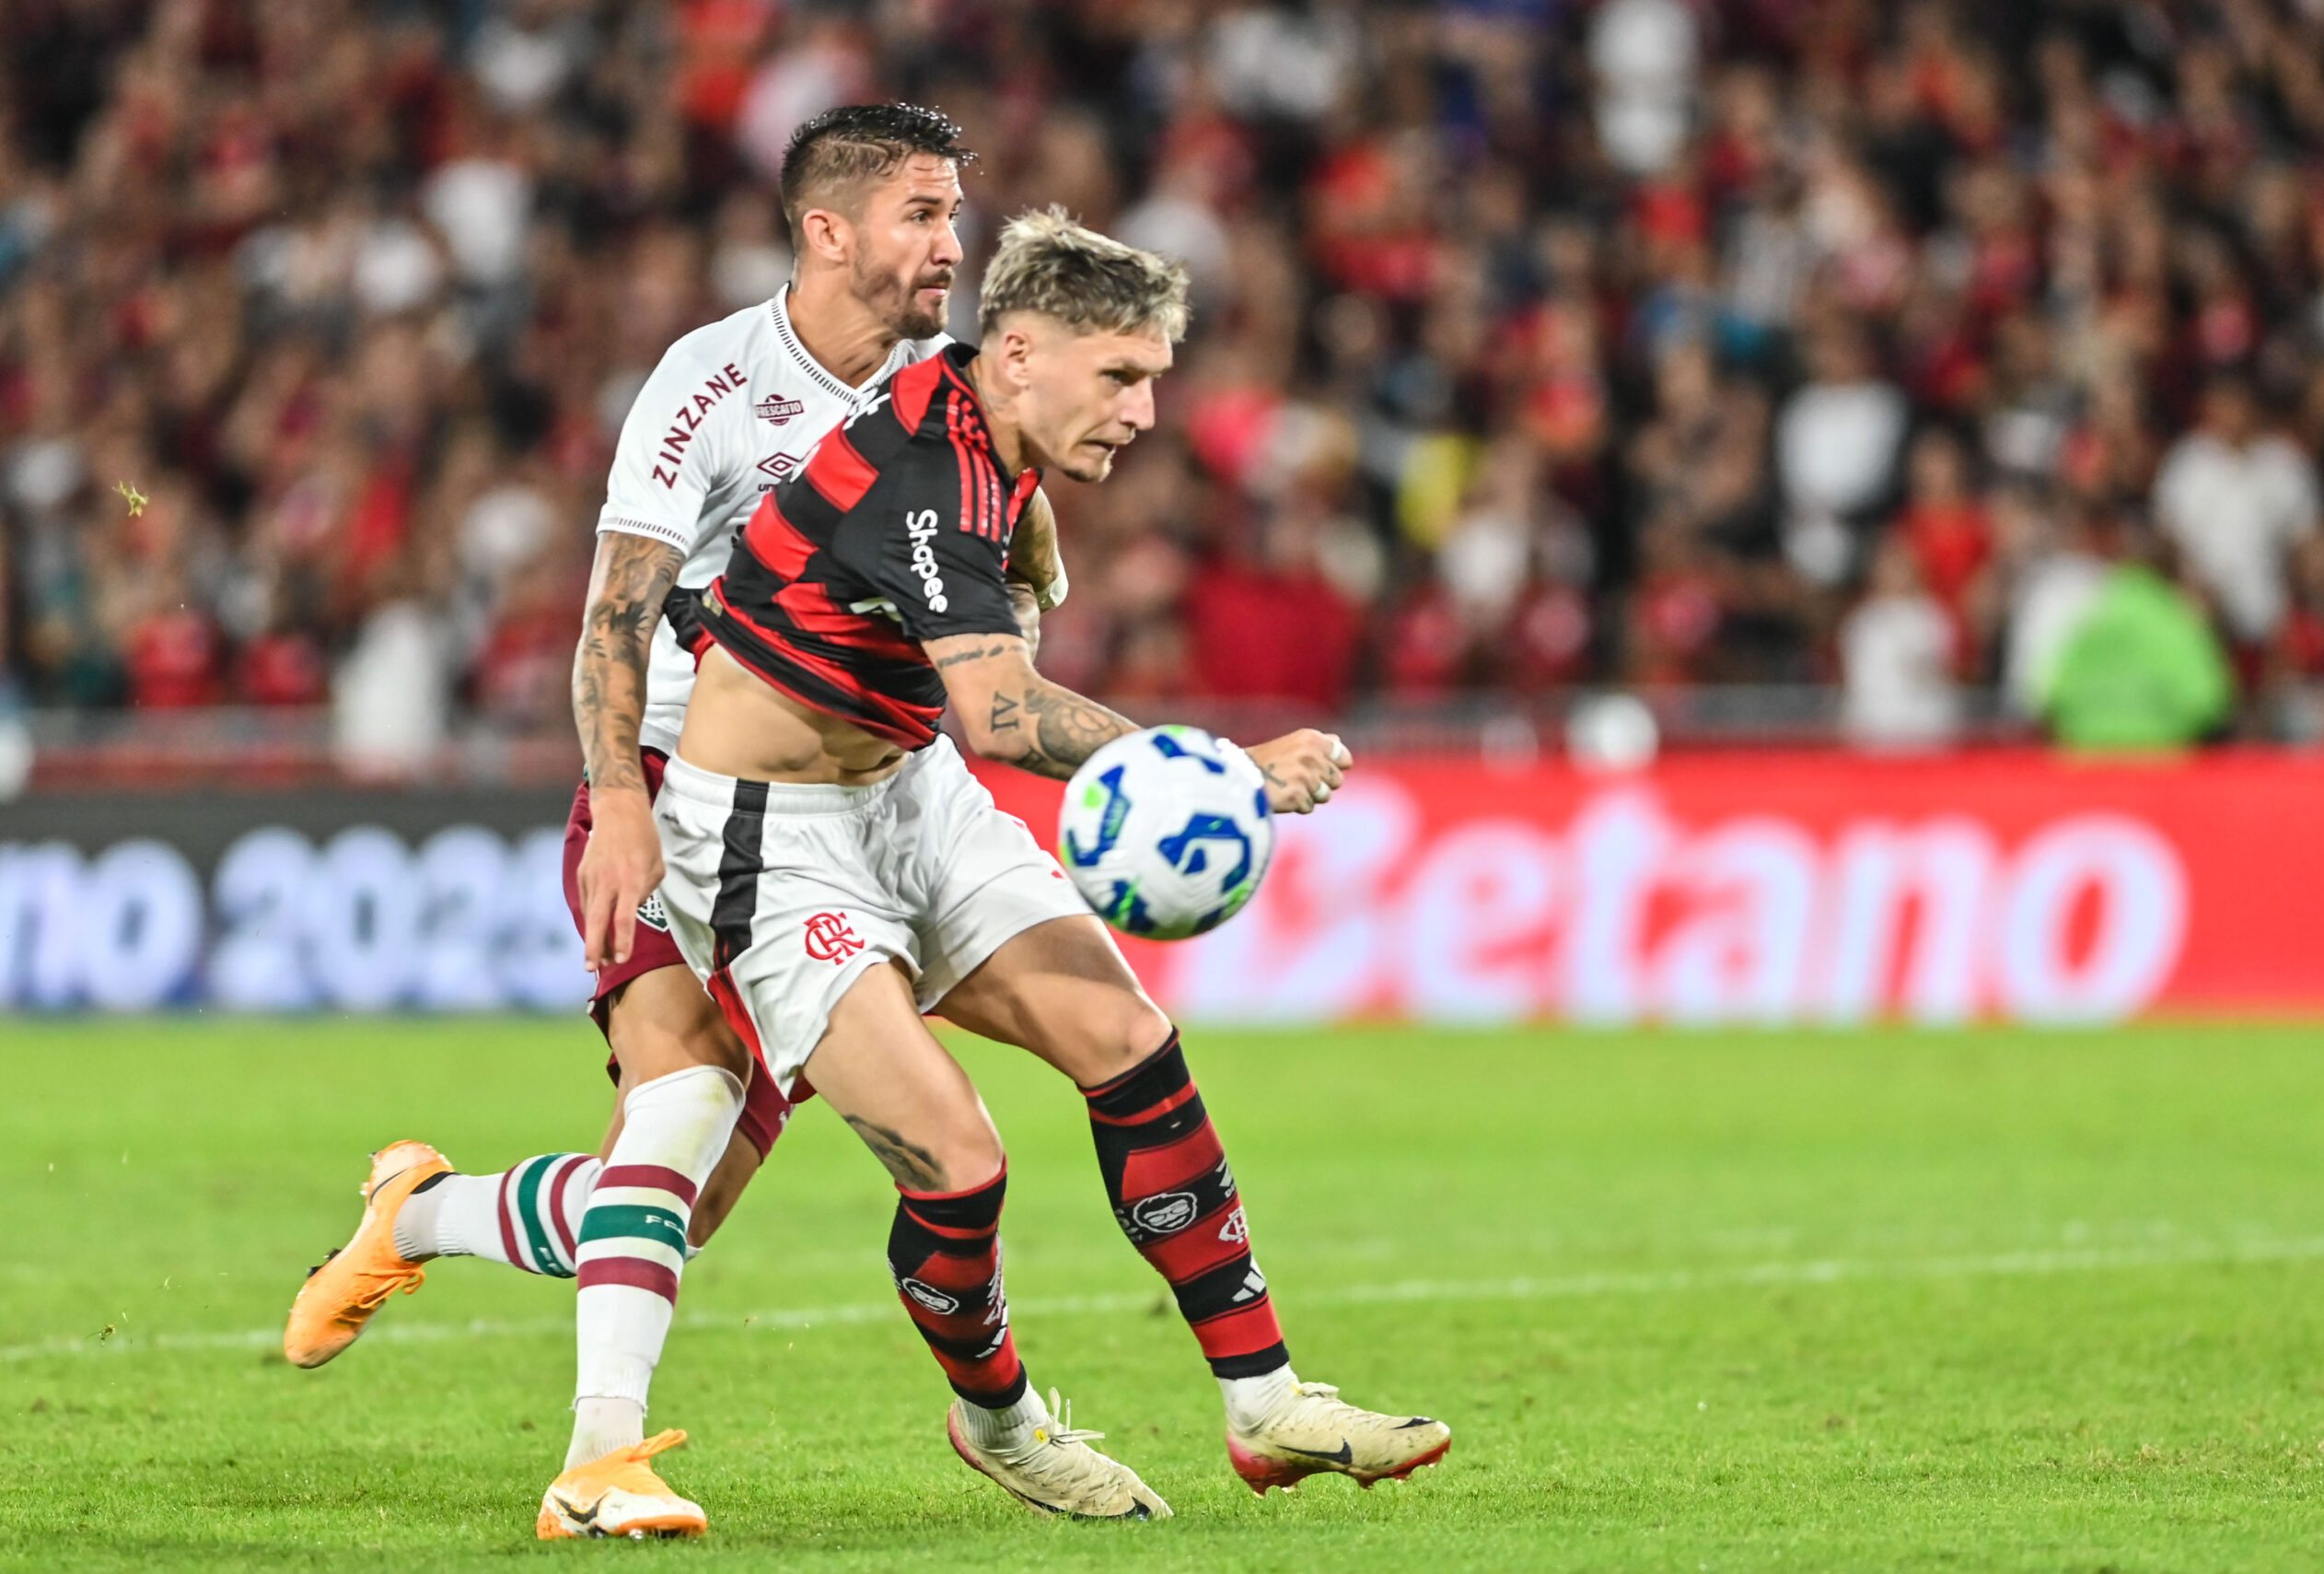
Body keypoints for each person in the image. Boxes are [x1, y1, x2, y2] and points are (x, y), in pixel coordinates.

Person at [281, 105, 1068, 1526]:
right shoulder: (710, 385)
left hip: (830, 823)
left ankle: (424, 1211)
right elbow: (614, 617)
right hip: (676, 788)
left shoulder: (947, 393)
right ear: (828, 230)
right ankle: (599, 1460)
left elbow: (1004, 563)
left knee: (666, 1198)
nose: (955, 244)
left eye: (956, 215)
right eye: (924, 214)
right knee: (683, 1096)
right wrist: (617, 802)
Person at [633, 208, 1450, 1528]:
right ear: (1018, 354)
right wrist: (1225, 770)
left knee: (1131, 1041)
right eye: (1118, 376)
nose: (1142, 412)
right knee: (957, 1162)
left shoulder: (983, 427)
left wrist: (1029, 541)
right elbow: (1004, 716)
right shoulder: (933, 475)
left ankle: (1266, 1403)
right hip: (768, 836)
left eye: (1153, 380)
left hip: (906, 790)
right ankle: (1001, 1420)